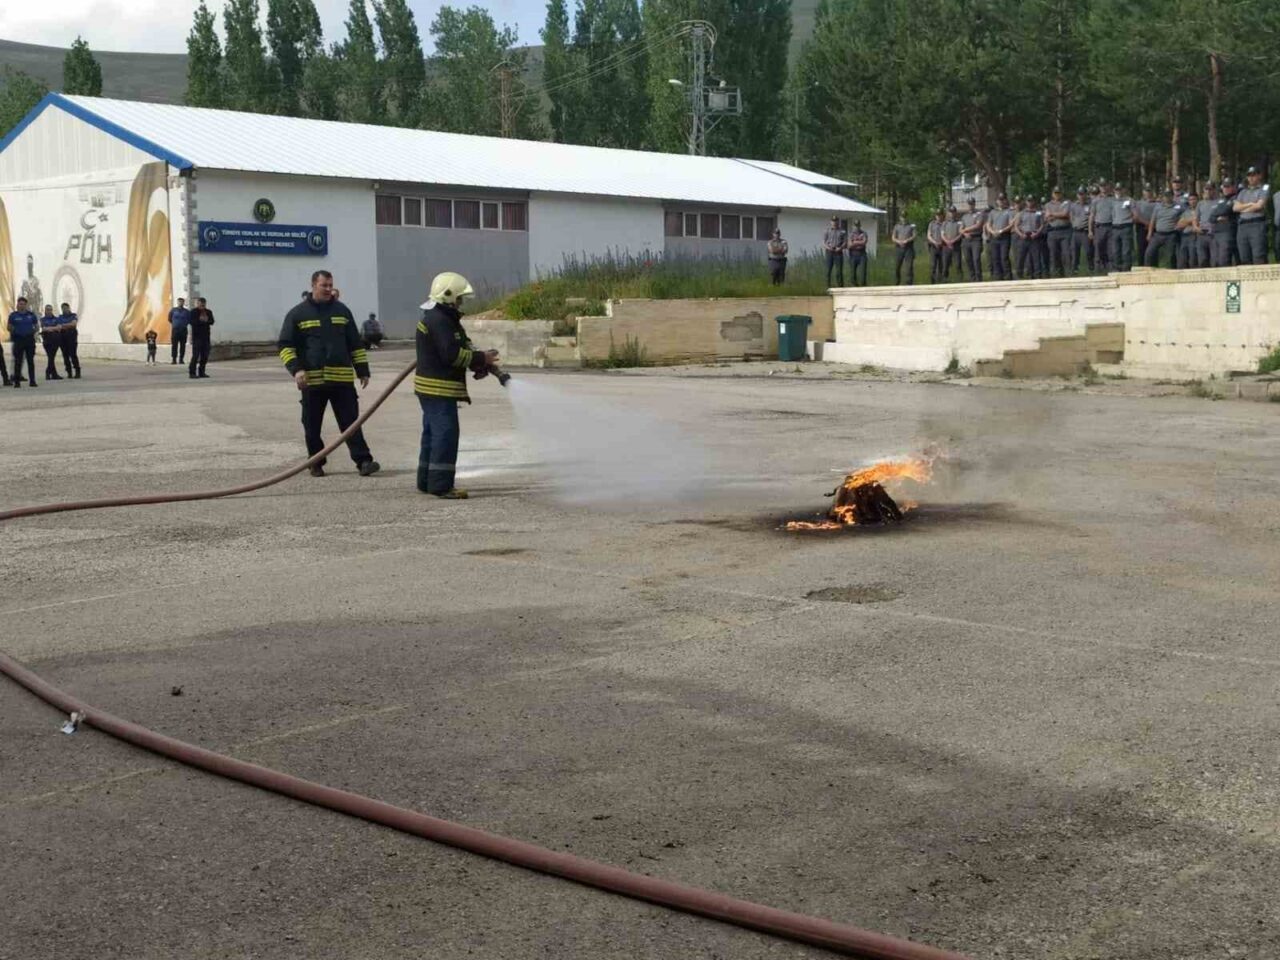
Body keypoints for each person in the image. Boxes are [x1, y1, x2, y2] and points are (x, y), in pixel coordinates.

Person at [278, 270, 380, 478]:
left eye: (330, 285)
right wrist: (296, 370)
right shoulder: (298, 314)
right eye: (324, 285)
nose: (328, 289)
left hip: (341, 380)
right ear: (313, 285)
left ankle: (364, 461)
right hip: (313, 382)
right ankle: (316, 463)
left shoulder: (342, 311)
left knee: (351, 423)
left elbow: (355, 344)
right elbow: (285, 345)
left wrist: (363, 370)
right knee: (312, 426)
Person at [415, 271, 499, 499]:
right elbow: (451, 355)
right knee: (445, 434)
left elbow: (461, 345)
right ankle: (441, 485)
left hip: (431, 388)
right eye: (459, 298)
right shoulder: (440, 320)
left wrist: (478, 362)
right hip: (438, 389)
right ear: (448, 296)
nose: (460, 302)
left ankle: (426, 481)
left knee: (432, 434)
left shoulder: (439, 317)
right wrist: (481, 359)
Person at [1234, 165, 1269, 264]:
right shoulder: (1243, 192)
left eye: (1254, 175)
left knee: (1258, 255)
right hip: (1243, 226)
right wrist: (1249, 204)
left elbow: (1259, 205)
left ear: (1259, 176)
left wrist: (1243, 209)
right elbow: (1235, 208)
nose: (1251, 178)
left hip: (1256, 224)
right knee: (1244, 256)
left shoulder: (1263, 189)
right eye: (1249, 175)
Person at [1144, 189, 1182, 267]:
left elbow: (1184, 216)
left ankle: (1173, 271)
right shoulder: (1158, 207)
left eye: (1169, 196)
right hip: (1158, 234)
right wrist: (1149, 233)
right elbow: (1152, 221)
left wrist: (1179, 225)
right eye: (1165, 196)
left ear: (1172, 196)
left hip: (1171, 234)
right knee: (1149, 252)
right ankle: (1149, 270)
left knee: (1171, 255)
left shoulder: (1178, 207)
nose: (1167, 198)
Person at [7, 296, 40, 387]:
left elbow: (36, 326)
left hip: (29, 340)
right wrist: (15, 332)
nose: (22, 306)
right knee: (18, 361)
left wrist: (32, 331)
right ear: (17, 305)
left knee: (30, 361)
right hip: (18, 340)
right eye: (20, 304)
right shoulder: (13, 316)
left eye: (24, 304)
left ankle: (32, 381)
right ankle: (17, 382)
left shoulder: (31, 315)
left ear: (26, 305)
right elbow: (9, 327)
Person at [1044, 187, 1072, 277]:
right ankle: (1057, 275)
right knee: (1054, 254)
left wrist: (1052, 214)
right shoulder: (1048, 205)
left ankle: (1068, 274)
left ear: (1061, 193)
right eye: (1055, 193)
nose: (1057, 195)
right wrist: (1059, 214)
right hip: (1053, 232)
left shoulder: (1067, 202)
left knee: (1066, 254)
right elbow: (1047, 218)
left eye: (1058, 193)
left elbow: (1066, 214)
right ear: (1052, 194)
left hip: (1065, 231)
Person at [1014, 197, 1045, 280]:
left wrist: (1037, 233)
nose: (1030, 203)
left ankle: (1037, 275)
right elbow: (1016, 226)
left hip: (1034, 237)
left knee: (1036, 258)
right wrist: (1020, 234)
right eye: (1028, 201)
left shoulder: (1038, 213)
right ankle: (1019, 275)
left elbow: (1042, 224)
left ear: (1034, 202)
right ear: (1026, 202)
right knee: (1020, 257)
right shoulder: (1021, 213)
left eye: (1031, 201)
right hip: (1024, 237)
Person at [985, 194, 1014, 281]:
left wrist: (1001, 231)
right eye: (999, 200)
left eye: (1002, 199)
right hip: (994, 237)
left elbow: (1011, 224)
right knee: (995, 257)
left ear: (1005, 200)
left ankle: (1008, 276)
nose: (1001, 201)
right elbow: (988, 224)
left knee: (1004, 257)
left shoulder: (1008, 211)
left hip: (1004, 236)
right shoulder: (993, 212)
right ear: (997, 201)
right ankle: (998, 276)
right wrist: (992, 231)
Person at [1212, 180, 1238, 267]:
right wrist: (1218, 217)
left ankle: (1230, 281)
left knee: (1224, 260)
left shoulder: (1235, 198)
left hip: (1228, 232)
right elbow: (1211, 217)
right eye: (1224, 187)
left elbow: (1225, 210)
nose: (1225, 189)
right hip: (1216, 233)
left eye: (1228, 187)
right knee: (1216, 261)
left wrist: (1218, 214)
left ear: (1233, 188)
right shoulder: (1221, 201)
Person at [1089, 182, 1114, 273]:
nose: (1103, 188)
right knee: (1098, 247)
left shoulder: (1112, 199)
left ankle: (1111, 267)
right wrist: (1090, 230)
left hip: (1110, 226)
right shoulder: (1095, 200)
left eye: (1104, 185)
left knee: (1110, 248)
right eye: (1101, 186)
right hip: (1099, 227)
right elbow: (1092, 215)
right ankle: (1098, 268)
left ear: (1108, 186)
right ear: (1099, 187)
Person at [1110, 183, 1135, 272]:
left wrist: (1130, 221)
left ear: (1123, 190)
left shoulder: (1129, 200)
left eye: (1120, 189)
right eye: (1117, 189)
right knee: (1115, 250)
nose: (1118, 191)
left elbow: (1135, 214)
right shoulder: (1112, 201)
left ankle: (1126, 268)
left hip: (1126, 227)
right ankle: (1116, 268)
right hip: (1115, 227)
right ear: (1114, 190)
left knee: (1126, 250)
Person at [960, 197, 985, 282]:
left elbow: (978, 225)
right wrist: (965, 233)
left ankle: (979, 278)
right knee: (968, 259)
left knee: (976, 258)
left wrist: (966, 230)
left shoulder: (979, 214)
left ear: (974, 204)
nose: (970, 205)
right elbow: (960, 229)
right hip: (966, 239)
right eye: (969, 204)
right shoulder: (964, 216)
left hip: (976, 238)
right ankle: (972, 277)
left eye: (972, 204)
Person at [188, 297, 214, 378]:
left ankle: (201, 372)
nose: (202, 305)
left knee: (205, 355)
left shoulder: (208, 312)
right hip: (197, 337)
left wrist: (206, 321)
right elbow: (192, 322)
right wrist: (201, 321)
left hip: (206, 337)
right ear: (197, 303)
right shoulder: (193, 312)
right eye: (200, 303)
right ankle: (192, 373)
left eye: (203, 303)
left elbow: (212, 321)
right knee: (195, 355)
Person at [1069, 186, 1092, 274]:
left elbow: (1091, 216)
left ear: (1086, 194)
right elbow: (1071, 217)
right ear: (1077, 195)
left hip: (1085, 231)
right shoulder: (1074, 205)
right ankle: (1074, 269)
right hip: (1075, 232)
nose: (1081, 196)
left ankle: (1090, 267)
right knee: (1074, 251)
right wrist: (1075, 224)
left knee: (1088, 251)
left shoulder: (1089, 205)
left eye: (1083, 194)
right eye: (1080, 194)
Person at [1176, 192, 1202, 269]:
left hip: (1194, 236)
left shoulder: (1201, 209)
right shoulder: (1186, 212)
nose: (1192, 201)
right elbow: (1179, 225)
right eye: (1190, 200)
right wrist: (1192, 220)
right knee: (1182, 261)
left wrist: (1186, 222)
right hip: (1184, 236)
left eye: (1194, 199)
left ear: (1198, 200)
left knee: (1193, 260)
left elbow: (1200, 223)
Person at [1197, 182, 1220, 268]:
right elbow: (1196, 218)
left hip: (1214, 235)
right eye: (1206, 189)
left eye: (1210, 189)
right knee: (1202, 261)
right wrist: (1196, 227)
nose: (1208, 191)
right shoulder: (1200, 203)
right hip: (1201, 235)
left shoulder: (1218, 202)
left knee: (1215, 260)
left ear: (1214, 190)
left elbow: (1222, 217)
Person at [40, 304, 64, 380]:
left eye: (50, 309)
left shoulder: (57, 319)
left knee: (51, 357)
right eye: (47, 309)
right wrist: (54, 328)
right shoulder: (42, 319)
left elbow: (59, 328)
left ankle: (52, 373)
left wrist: (49, 328)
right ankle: (50, 373)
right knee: (51, 357)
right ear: (45, 310)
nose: (49, 311)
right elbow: (44, 329)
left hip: (56, 340)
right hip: (47, 340)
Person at [57, 302, 81, 378]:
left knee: (73, 354)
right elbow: (59, 326)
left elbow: (73, 324)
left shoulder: (73, 315)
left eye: (66, 308)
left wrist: (64, 325)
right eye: (63, 308)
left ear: (69, 308)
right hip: (63, 336)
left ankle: (77, 371)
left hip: (71, 336)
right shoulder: (60, 317)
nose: (65, 310)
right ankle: (69, 372)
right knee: (65, 355)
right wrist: (68, 325)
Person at [1133, 186, 1155, 266]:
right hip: (1141, 228)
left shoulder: (1157, 203)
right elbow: (1136, 217)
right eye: (1146, 191)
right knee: (1141, 249)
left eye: (1149, 191)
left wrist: (1152, 225)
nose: (1148, 193)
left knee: (1153, 249)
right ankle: (1141, 266)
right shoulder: (1138, 203)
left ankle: (1153, 266)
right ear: (1143, 192)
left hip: (1154, 228)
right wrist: (1147, 224)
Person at [891, 214, 916, 285]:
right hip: (899, 248)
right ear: (900, 218)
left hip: (908, 248)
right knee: (897, 266)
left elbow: (914, 236)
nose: (904, 218)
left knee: (909, 267)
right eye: (902, 217)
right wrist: (898, 241)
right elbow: (893, 237)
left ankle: (909, 283)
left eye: (905, 217)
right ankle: (897, 281)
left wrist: (907, 240)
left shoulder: (911, 226)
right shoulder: (897, 226)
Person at [822, 216, 846, 287]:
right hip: (829, 252)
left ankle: (840, 288)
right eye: (833, 221)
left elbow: (845, 242)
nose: (834, 223)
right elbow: (824, 242)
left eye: (836, 221)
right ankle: (828, 287)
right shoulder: (827, 231)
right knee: (828, 271)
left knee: (839, 272)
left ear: (838, 222)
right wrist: (828, 247)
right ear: (831, 222)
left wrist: (840, 247)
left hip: (838, 252)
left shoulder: (842, 231)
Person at [940, 206, 962, 280]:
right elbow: (942, 234)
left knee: (958, 264)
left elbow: (960, 233)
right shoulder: (945, 223)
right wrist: (947, 241)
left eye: (953, 212)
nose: (952, 213)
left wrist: (953, 241)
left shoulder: (959, 222)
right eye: (950, 212)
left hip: (956, 246)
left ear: (955, 212)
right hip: (946, 246)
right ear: (948, 213)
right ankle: (944, 279)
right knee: (945, 264)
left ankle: (960, 279)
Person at [846, 220, 869, 287]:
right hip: (853, 254)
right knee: (852, 273)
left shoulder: (864, 233)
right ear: (853, 226)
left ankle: (863, 285)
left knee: (863, 272)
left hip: (862, 254)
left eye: (858, 226)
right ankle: (854, 285)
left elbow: (864, 242)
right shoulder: (851, 234)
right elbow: (849, 245)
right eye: (855, 226)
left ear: (860, 226)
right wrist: (859, 242)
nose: (857, 227)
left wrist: (854, 242)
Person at [168, 297, 191, 364]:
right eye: (179, 302)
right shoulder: (173, 310)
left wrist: (184, 324)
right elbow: (169, 319)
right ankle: (174, 359)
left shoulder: (186, 311)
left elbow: (189, 320)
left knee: (182, 345)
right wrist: (175, 324)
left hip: (183, 330)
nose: (180, 303)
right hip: (175, 330)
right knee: (174, 345)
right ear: (177, 302)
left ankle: (181, 359)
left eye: (182, 302)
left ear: (183, 303)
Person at [926, 210, 945, 284]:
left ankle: (941, 281)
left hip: (942, 246)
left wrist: (941, 242)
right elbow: (929, 235)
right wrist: (935, 242)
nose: (938, 216)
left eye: (940, 215)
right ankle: (932, 282)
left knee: (941, 265)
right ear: (935, 216)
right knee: (933, 265)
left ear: (942, 215)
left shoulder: (944, 224)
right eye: (937, 215)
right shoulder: (931, 224)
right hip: (933, 246)